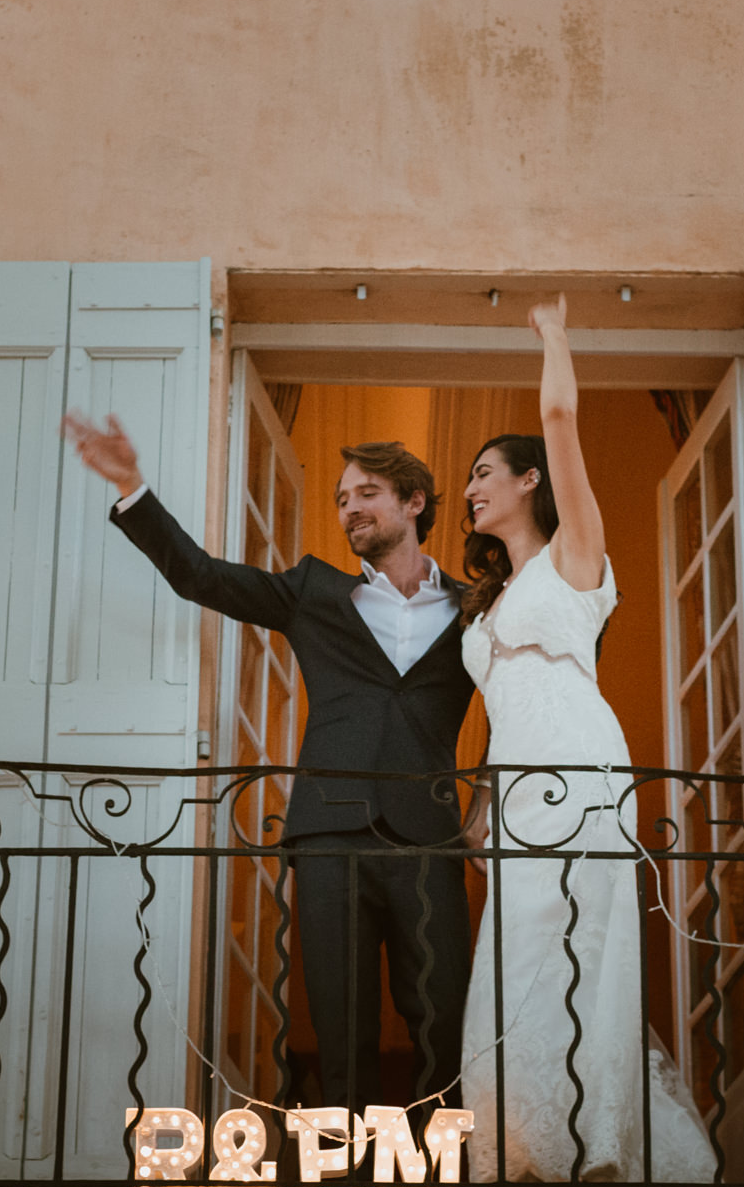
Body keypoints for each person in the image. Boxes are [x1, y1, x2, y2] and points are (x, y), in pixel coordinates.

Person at [62, 413, 477, 1124]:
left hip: (431, 838)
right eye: (342, 497)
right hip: (329, 837)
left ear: (414, 502)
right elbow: (198, 575)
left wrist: (484, 809)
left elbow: (527, 696)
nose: (349, 507)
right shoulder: (313, 590)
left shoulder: (475, 609)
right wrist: (132, 484)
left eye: (367, 492)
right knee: (341, 1027)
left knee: (444, 1026)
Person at [456, 294, 718, 1187]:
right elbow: (496, 716)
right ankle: (524, 1153)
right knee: (512, 967)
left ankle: (593, 1148)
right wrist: (480, 810)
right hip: (515, 793)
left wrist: (553, 332)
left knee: (582, 954)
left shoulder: (576, 560)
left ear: (530, 481)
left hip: (581, 769)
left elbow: (559, 417)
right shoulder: (487, 603)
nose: (471, 488)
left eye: (486, 471)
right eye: (466, 480)